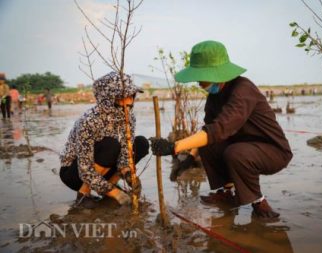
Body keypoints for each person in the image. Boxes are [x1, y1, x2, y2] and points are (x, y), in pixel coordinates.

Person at [150, 40, 293, 218]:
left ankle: (259, 202)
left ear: (216, 73)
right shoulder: (214, 96)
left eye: (202, 78)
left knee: (235, 152)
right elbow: (208, 132)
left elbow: (219, 129)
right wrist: (188, 159)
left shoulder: (243, 89)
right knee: (209, 144)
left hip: (273, 151)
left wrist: (174, 146)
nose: (200, 84)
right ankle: (228, 193)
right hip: (243, 146)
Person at [60, 71, 149, 208]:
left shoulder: (129, 117)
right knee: (110, 145)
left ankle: (110, 185)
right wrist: (115, 194)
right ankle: (84, 194)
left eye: (131, 96)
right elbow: (84, 169)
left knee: (141, 143)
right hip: (75, 173)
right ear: (108, 99)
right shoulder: (89, 121)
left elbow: (126, 150)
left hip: (104, 170)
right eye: (122, 98)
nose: (129, 102)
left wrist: (128, 173)